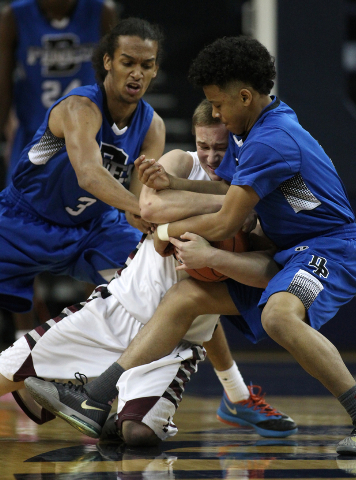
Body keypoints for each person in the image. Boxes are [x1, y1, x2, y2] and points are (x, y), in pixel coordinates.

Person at [24, 36, 356, 455]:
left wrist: (164, 232)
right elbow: (226, 188)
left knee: (280, 317)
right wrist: (175, 183)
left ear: (245, 95)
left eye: (218, 104)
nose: (214, 112)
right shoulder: (250, 129)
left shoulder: (273, 139)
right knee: (185, 296)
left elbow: (225, 219)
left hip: (329, 251)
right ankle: (94, 396)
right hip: (279, 252)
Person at [6, 99, 297, 443]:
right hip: (124, 307)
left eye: (220, 146)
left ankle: (110, 401)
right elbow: (150, 206)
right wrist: (192, 221)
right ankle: (94, 394)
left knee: (139, 431)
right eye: (204, 145)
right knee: (5, 380)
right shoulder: (181, 163)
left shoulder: (260, 179)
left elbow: (261, 267)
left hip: (179, 331)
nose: (212, 156)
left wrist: (206, 240)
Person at [0, 17, 165, 318]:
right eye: (127, 62)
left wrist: (159, 225)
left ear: (155, 69)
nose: (137, 73)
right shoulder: (79, 107)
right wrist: (139, 207)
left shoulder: (152, 128)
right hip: (22, 218)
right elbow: (89, 175)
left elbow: (136, 211)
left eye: (146, 65)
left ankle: (127, 360)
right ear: (108, 62)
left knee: (156, 284)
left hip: (92, 228)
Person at [0, 0, 118, 190]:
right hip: (34, 140)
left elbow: (113, 85)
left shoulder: (102, 11)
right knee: (20, 213)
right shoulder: (14, 16)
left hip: (88, 140)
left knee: (89, 215)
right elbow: (2, 92)